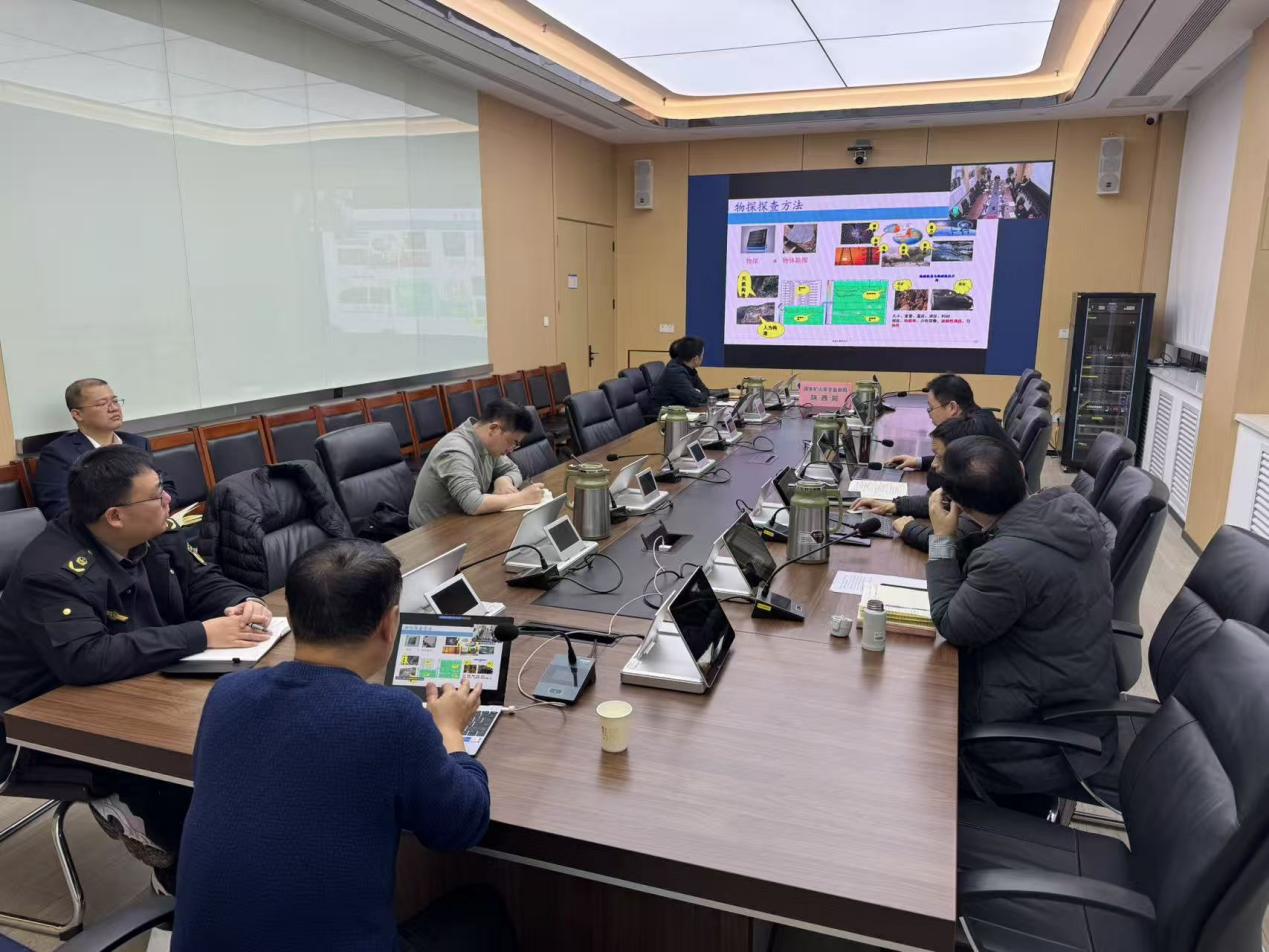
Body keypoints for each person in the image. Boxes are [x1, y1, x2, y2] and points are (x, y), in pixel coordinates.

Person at [174, 539, 515, 952]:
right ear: (390, 624)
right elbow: (462, 827)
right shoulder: (392, 716)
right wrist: (451, 731)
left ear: (291, 616)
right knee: (483, 910)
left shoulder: (228, 693)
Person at [0, 445, 272, 884]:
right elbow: (85, 658)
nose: (169, 500)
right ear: (115, 516)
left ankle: (237, 856)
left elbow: (201, 579)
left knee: (239, 734)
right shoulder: (51, 572)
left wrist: (242, 602)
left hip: (139, 683)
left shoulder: (153, 531)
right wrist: (202, 634)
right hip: (46, 720)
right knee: (186, 768)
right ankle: (183, 881)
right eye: (157, 495)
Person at [924, 436, 1117, 799]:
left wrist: (942, 541)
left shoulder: (1005, 561)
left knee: (907, 737)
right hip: (1071, 697)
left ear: (961, 506)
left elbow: (951, 622)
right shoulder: (1066, 507)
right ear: (1021, 470)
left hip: (1035, 739)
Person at [855, 416, 1008, 552]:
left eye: (939, 457)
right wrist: (894, 506)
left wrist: (909, 529)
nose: (933, 465)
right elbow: (944, 502)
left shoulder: (982, 500)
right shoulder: (980, 483)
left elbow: (949, 545)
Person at [408, 399, 545, 529]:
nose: (511, 450)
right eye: (512, 442)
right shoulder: (456, 450)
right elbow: (473, 503)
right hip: (430, 533)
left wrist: (504, 481)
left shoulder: (488, 444)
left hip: (462, 522)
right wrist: (521, 498)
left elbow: (512, 469)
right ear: (494, 429)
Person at [35, 378, 156, 519]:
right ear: (78, 415)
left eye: (115, 401)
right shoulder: (58, 454)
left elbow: (166, 488)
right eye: (102, 404)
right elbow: (60, 511)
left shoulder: (138, 443)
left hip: (149, 522)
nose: (114, 408)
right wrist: (128, 517)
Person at [885, 374, 1009, 473]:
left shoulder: (970, 433)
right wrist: (918, 462)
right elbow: (953, 462)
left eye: (931, 408)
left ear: (952, 407)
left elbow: (937, 480)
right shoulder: (979, 417)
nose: (929, 414)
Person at [650, 336, 711, 409]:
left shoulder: (689, 368)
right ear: (696, 359)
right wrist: (699, 393)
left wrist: (700, 393)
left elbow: (705, 391)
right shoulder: (675, 372)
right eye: (702, 355)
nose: (703, 357)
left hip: (679, 410)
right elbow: (696, 400)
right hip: (664, 414)